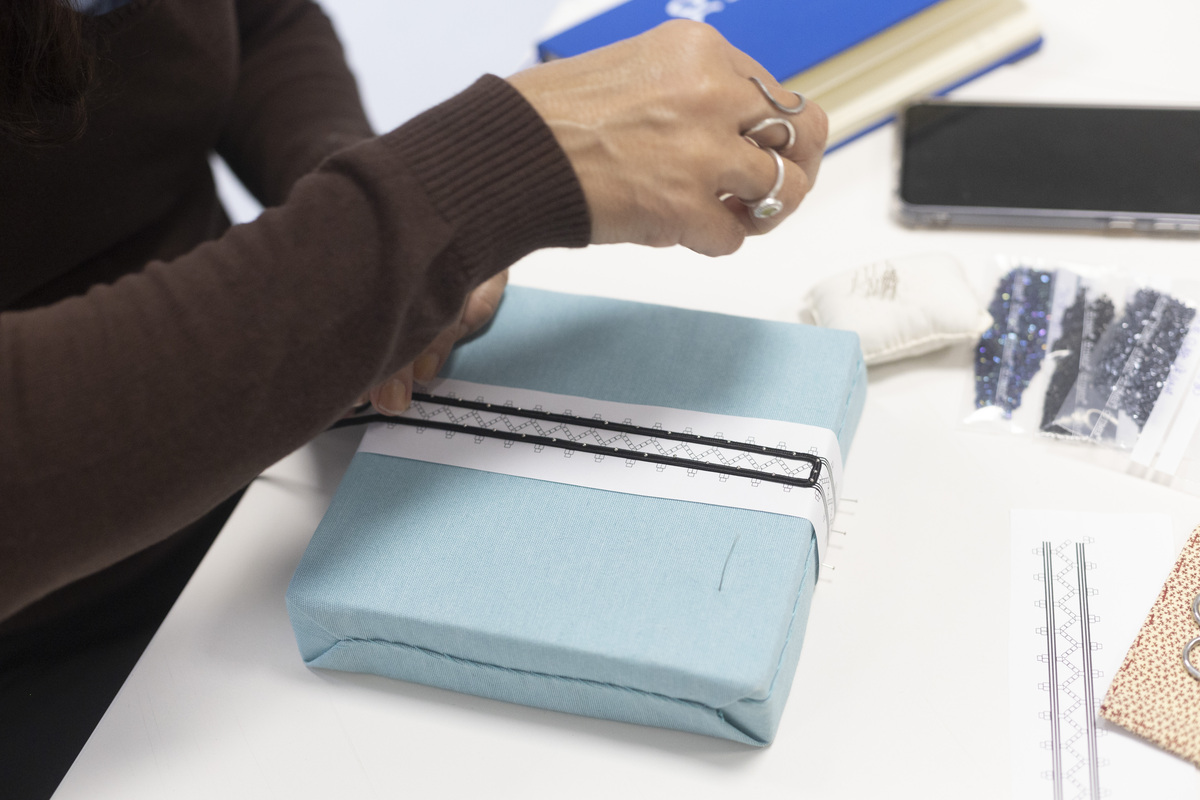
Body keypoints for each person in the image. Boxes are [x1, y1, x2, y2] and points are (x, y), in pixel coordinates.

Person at [0, 0, 825, 793]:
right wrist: (450, 196)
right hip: (65, 648)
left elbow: (258, 20)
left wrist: (346, 248)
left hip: (263, 456)